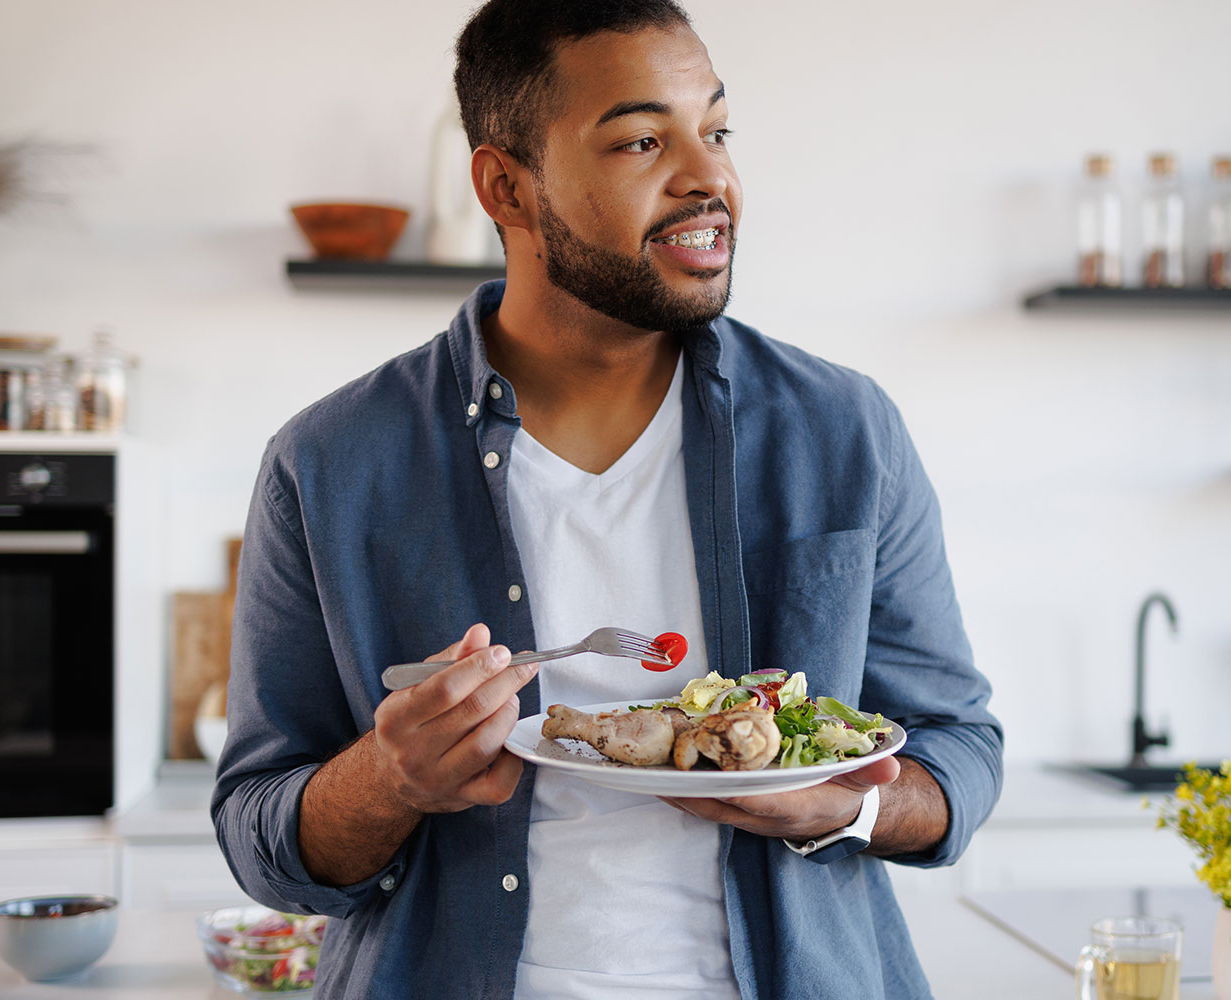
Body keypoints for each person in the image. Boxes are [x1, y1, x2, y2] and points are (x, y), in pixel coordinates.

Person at [211, 2, 1003, 997]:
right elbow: (258, 834)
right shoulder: (328, 462)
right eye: (640, 139)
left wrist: (842, 809)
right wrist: (389, 777)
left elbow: (958, 750)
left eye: (714, 131)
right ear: (506, 186)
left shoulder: (842, 430)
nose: (708, 178)